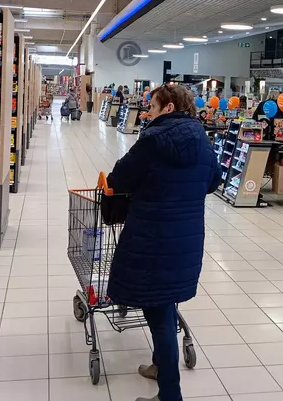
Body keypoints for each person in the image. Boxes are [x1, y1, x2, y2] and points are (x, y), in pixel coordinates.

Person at [106, 84, 221, 401]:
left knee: (159, 316)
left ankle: (170, 395)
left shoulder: (153, 139)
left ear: (169, 109)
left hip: (152, 237)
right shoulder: (202, 138)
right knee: (165, 304)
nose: (148, 113)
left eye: (152, 108)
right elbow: (214, 180)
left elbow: (119, 177)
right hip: (185, 237)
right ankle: (160, 365)